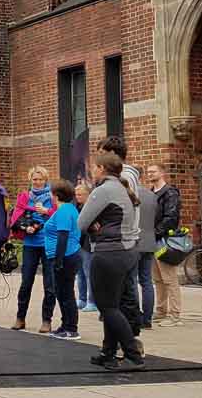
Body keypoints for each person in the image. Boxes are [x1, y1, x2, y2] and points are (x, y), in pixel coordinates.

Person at [78, 152, 144, 371]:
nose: (91, 171)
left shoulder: (103, 190)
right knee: (112, 306)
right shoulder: (123, 188)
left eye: (93, 168)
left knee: (108, 307)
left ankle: (133, 354)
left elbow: (81, 222)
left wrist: (94, 224)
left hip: (108, 253)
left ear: (101, 169)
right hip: (125, 252)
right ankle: (108, 353)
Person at [96, 136, 143, 341]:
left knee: (125, 294)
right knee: (119, 296)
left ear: (112, 154)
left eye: (102, 153)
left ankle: (131, 338)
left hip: (123, 241)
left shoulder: (123, 177)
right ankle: (114, 343)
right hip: (125, 239)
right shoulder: (121, 178)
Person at [10, 166, 57, 334]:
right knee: (26, 282)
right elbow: (16, 216)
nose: (37, 182)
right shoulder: (24, 196)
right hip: (30, 243)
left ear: (45, 180)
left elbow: (59, 215)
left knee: (49, 284)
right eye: (34, 179)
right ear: (30, 180)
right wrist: (25, 227)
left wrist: (47, 211)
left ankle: (47, 320)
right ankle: (20, 317)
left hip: (47, 243)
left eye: (40, 179)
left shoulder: (52, 197)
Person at [44, 179, 82, 340]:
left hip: (66, 256)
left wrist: (58, 260)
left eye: (51, 193)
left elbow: (63, 235)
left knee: (66, 293)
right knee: (62, 292)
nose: (50, 196)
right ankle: (65, 325)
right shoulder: (68, 209)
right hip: (65, 255)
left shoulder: (64, 211)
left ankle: (71, 328)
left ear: (56, 195)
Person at [147, 163, 184, 327]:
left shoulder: (170, 193)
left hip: (164, 240)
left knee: (169, 278)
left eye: (153, 171)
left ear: (162, 173)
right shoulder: (150, 193)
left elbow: (171, 217)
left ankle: (175, 315)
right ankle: (161, 310)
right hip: (152, 240)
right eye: (148, 172)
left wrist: (155, 232)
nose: (150, 174)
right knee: (158, 279)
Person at [134, 185, 159, 330]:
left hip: (134, 241)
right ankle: (148, 318)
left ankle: (136, 316)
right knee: (147, 281)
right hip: (149, 241)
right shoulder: (151, 196)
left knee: (131, 281)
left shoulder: (127, 194)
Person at [75, 183, 97, 312]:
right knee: (80, 273)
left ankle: (92, 301)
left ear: (88, 194)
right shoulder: (78, 207)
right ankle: (82, 299)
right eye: (76, 194)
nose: (77, 197)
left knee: (89, 273)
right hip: (79, 243)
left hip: (88, 244)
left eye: (80, 194)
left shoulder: (91, 208)